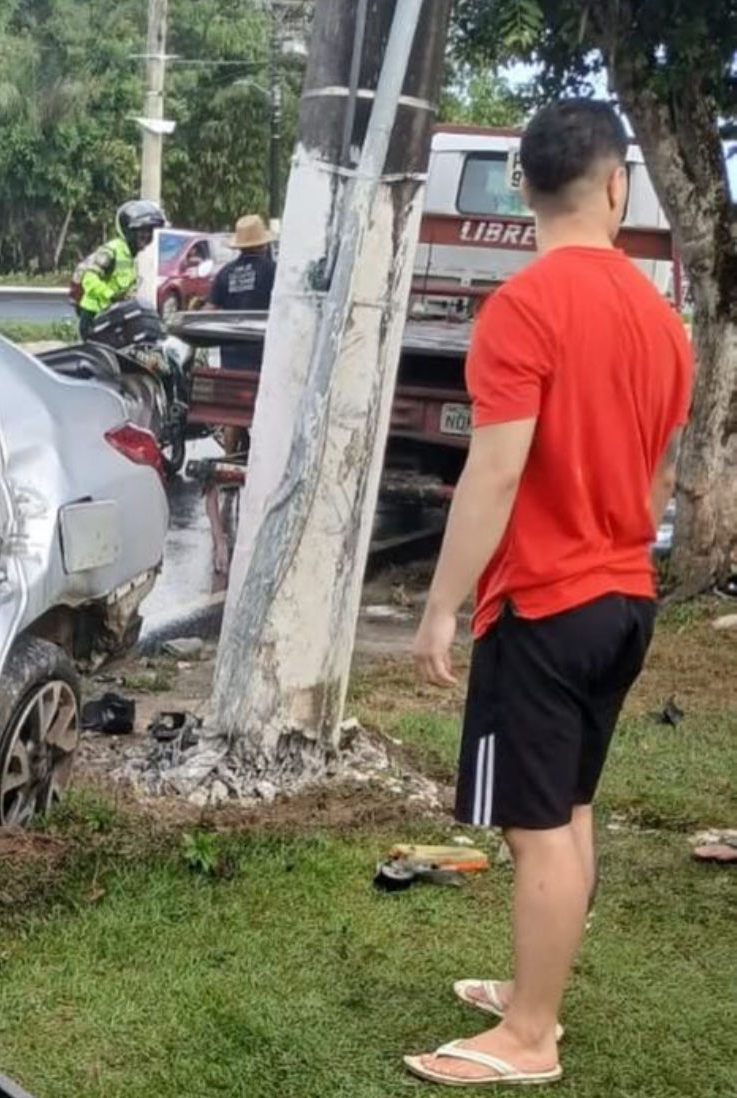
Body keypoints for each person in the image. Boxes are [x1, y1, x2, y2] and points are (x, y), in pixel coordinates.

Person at [405, 100, 693, 1087]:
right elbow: (655, 487)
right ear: (617, 187)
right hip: (625, 600)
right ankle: (532, 994)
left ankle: (530, 1037)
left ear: (524, 186)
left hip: (548, 603)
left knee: (535, 828)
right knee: (566, 810)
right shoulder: (667, 325)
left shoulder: (523, 309)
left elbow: (493, 473)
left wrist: (443, 604)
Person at [72, 199, 166, 339]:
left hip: (112, 319)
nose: (147, 236)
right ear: (129, 231)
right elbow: (89, 278)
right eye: (142, 231)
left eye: (150, 232)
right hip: (94, 318)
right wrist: (111, 295)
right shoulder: (112, 251)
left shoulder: (130, 257)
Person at [206, 213, 276, 373]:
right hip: (263, 355)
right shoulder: (273, 271)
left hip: (231, 356)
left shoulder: (225, 273)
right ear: (263, 245)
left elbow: (209, 312)